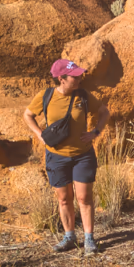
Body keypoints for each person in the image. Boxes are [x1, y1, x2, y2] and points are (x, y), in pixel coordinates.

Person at [22, 59, 111, 255]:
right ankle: (69, 237)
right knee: (64, 199)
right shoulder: (45, 96)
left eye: (80, 74)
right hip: (56, 157)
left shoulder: (84, 95)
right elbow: (28, 114)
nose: (80, 78)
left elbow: (104, 112)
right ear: (61, 78)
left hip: (82, 155)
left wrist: (95, 132)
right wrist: (40, 134)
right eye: (75, 76)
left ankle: (89, 239)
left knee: (84, 197)